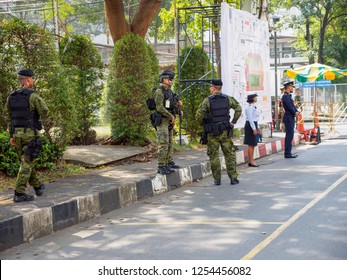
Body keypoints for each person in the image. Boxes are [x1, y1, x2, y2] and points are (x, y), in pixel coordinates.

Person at [6, 69, 49, 202]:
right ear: (29, 79)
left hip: (17, 135)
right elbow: (45, 112)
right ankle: (19, 193)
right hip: (29, 135)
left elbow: (9, 117)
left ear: (20, 80)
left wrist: (11, 135)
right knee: (27, 163)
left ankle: (37, 186)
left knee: (25, 162)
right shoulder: (33, 96)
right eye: (33, 79)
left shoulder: (11, 96)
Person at [196, 79, 242, 185]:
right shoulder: (228, 99)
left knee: (214, 155)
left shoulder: (208, 100)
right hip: (225, 131)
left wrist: (202, 124)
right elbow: (238, 109)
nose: (210, 88)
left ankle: (217, 179)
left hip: (212, 132)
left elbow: (199, 115)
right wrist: (233, 122)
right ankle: (233, 178)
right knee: (229, 154)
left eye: (210, 86)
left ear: (213, 88)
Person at [154, 70, 182, 175]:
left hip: (169, 120)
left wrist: (178, 105)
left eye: (172, 79)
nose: (171, 81)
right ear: (163, 79)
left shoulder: (169, 91)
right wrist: (170, 116)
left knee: (169, 142)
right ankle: (161, 166)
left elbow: (171, 105)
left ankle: (168, 163)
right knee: (164, 143)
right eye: (169, 79)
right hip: (162, 120)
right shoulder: (159, 92)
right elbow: (159, 107)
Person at [281, 80, 300, 158]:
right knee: (289, 135)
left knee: (290, 135)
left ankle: (288, 152)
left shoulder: (288, 96)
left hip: (290, 117)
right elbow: (290, 107)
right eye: (292, 86)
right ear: (288, 87)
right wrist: (295, 112)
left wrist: (297, 111)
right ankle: (287, 153)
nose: (293, 88)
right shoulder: (285, 96)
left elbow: (293, 106)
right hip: (288, 117)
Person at [244, 93, 260, 167]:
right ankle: (251, 161)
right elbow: (250, 119)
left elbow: (255, 118)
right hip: (250, 125)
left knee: (253, 144)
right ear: (253, 98)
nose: (256, 98)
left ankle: (252, 160)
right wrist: (254, 128)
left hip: (254, 124)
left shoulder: (254, 107)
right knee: (251, 144)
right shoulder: (250, 107)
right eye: (255, 97)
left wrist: (257, 126)